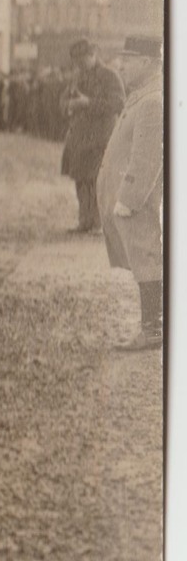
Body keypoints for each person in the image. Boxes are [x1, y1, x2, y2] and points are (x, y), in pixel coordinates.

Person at [98, 35, 164, 352]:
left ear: (149, 62)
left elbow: (147, 156)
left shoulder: (152, 100)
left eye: (130, 58)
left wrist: (130, 198)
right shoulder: (142, 95)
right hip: (134, 197)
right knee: (142, 257)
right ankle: (152, 327)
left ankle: (153, 330)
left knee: (146, 256)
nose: (122, 65)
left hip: (139, 199)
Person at [60, 39, 125, 234]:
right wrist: (67, 105)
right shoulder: (78, 76)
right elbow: (64, 99)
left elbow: (118, 103)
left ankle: (98, 222)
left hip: (100, 137)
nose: (79, 65)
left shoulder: (109, 76)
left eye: (82, 60)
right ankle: (84, 220)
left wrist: (88, 103)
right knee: (81, 178)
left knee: (97, 180)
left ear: (93, 55)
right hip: (80, 138)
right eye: (76, 62)